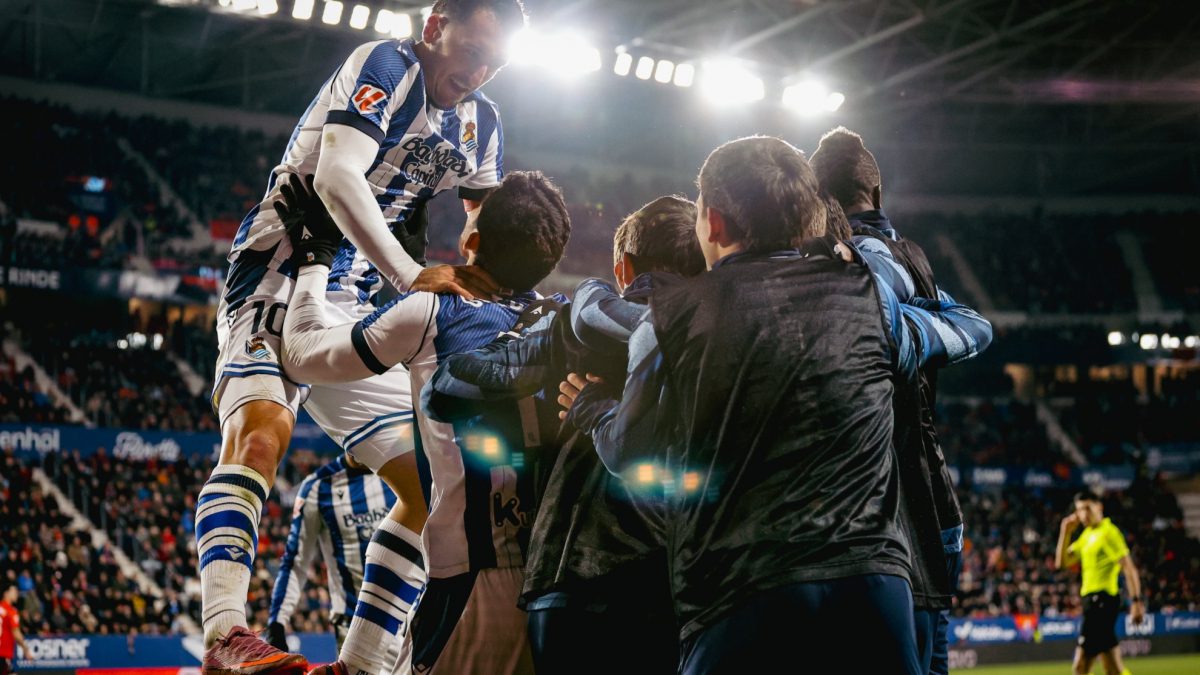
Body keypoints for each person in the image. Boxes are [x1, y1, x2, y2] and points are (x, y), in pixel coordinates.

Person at [560, 136, 992, 675]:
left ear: (712, 223)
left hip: (742, 593)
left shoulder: (669, 318)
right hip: (874, 589)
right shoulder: (868, 296)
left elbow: (630, 454)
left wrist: (593, 406)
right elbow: (968, 331)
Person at [198, 1, 527, 672]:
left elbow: (490, 230)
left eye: (496, 61)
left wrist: (499, 292)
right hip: (282, 262)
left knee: (435, 484)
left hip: (353, 292)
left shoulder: (483, 123)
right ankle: (225, 634)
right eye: (474, 49)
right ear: (437, 24)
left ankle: (364, 661)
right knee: (262, 432)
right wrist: (411, 273)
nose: (480, 70)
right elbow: (336, 175)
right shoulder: (385, 64)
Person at [278, 170, 570, 675]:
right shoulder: (566, 317)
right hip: (554, 581)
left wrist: (315, 255)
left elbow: (302, 355)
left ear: (473, 240)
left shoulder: (435, 311)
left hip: (474, 586)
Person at [424, 195, 706, 675]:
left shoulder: (572, 328)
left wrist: (545, 347)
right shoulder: (726, 334)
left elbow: (445, 390)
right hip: (685, 583)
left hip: (569, 579)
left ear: (623, 268)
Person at [811, 126, 966, 675]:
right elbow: (974, 326)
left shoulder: (834, 261)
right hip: (930, 503)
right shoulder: (914, 258)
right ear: (876, 195)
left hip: (871, 517)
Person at [265, 453, 399, 662]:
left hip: (411, 621)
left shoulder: (404, 470)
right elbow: (295, 562)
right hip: (355, 627)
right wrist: (276, 624)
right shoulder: (318, 487)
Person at [1054, 492, 1145, 675]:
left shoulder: (1108, 532)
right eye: (1079, 510)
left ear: (1099, 507)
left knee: (1080, 667)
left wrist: (1136, 602)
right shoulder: (1087, 535)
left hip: (1102, 601)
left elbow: (1128, 568)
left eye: (1087, 508)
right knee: (1112, 667)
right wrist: (1066, 532)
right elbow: (1061, 562)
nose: (1083, 514)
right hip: (1091, 602)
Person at [0, 584, 33, 675]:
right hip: (3, 653)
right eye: (14, 591)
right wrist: (26, 649)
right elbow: (16, 633)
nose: (16, 594)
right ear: (6, 593)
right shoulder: (11, 611)